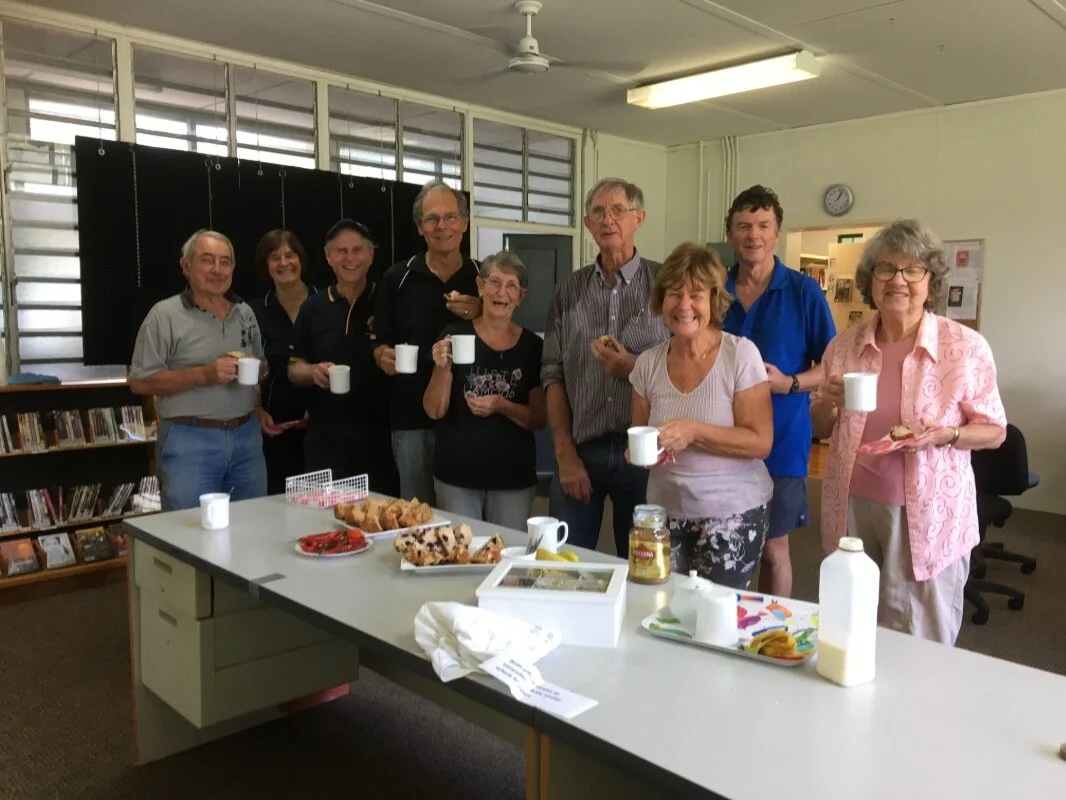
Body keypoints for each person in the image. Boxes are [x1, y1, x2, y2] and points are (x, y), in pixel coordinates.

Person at [811, 219, 1006, 645]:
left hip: (929, 511)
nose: (898, 280)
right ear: (870, 280)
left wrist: (949, 435)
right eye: (885, 269)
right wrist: (827, 401)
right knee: (852, 624)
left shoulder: (964, 347)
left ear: (930, 280)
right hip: (852, 506)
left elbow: (993, 431)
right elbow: (820, 426)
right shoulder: (844, 345)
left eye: (912, 270)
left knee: (920, 633)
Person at [629, 243, 773, 589]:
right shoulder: (647, 363)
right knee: (662, 611)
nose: (684, 306)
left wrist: (694, 430)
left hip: (732, 513)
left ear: (713, 300)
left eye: (696, 295)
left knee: (713, 622)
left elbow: (760, 441)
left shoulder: (740, 355)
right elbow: (639, 433)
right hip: (663, 512)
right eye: (674, 294)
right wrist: (641, 451)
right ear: (661, 300)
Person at [541, 178, 669, 553]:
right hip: (583, 451)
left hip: (647, 456)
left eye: (618, 210)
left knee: (644, 563)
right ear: (587, 223)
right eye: (598, 211)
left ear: (639, 219)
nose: (608, 219)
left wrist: (632, 368)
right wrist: (564, 456)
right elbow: (552, 373)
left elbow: (687, 371)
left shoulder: (666, 284)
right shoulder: (568, 290)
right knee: (563, 560)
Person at [722, 185, 836, 597]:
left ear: (777, 233)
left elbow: (833, 364)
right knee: (722, 541)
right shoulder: (715, 291)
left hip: (782, 442)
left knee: (773, 547)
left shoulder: (804, 292)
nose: (753, 234)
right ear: (731, 234)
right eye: (744, 226)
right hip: (722, 439)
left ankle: (773, 630)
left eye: (763, 225)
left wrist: (789, 382)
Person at [129, 229, 267, 511]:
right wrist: (204, 375)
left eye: (225, 261)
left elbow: (262, 367)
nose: (217, 269)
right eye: (207, 260)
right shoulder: (164, 315)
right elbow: (140, 383)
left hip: (247, 439)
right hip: (188, 440)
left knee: (252, 527)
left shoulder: (245, 313)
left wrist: (259, 369)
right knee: (187, 533)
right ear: (186, 265)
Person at [372, 180, 481, 503]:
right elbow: (380, 342)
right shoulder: (397, 277)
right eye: (432, 219)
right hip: (411, 418)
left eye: (450, 217)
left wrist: (483, 308)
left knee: (466, 517)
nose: (441, 226)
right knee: (415, 512)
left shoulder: (483, 278)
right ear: (420, 227)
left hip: (469, 416)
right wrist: (381, 356)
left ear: (464, 221)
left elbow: (509, 332)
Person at [423, 252, 545, 529]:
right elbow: (433, 410)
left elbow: (539, 418)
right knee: (463, 559)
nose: (502, 292)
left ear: (521, 295)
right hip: (456, 475)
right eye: (494, 282)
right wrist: (443, 367)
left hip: (512, 478)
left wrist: (501, 405)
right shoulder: (453, 334)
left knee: (507, 556)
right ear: (480, 287)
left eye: (511, 285)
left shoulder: (532, 347)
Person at [288, 219, 398, 494]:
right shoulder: (313, 307)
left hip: (380, 435)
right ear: (328, 256)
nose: (350, 258)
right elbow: (292, 367)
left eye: (358, 250)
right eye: (341, 251)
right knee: (322, 522)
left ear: (371, 255)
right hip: (326, 436)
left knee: (380, 520)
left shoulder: (388, 300)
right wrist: (311, 371)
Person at [250, 229, 318, 495]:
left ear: (301, 259)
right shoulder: (253, 311)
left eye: (290, 255)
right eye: (274, 257)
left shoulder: (325, 302)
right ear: (265, 266)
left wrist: (319, 408)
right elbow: (249, 368)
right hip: (273, 430)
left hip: (320, 429)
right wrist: (256, 411)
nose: (284, 263)